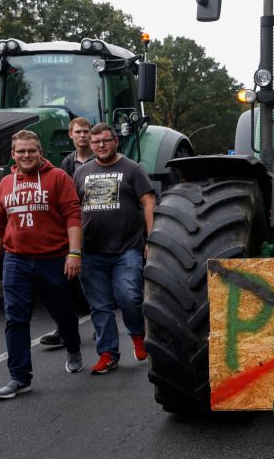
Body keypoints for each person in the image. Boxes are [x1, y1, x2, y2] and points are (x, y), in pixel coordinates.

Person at [0, 130, 84, 400]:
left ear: (40, 153)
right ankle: (19, 378)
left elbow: (73, 216)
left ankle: (73, 347)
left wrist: (74, 253)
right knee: (15, 319)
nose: (27, 155)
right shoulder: (6, 184)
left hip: (53, 259)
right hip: (16, 260)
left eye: (32, 150)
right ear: (13, 155)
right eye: (21, 151)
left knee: (64, 314)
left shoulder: (58, 178)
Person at [74, 123, 155, 374]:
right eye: (96, 142)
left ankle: (139, 335)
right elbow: (71, 210)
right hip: (91, 251)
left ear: (115, 141)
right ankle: (108, 353)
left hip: (127, 249)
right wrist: (72, 249)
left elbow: (149, 203)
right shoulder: (82, 173)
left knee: (129, 296)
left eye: (105, 141)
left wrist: (152, 241)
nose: (100, 145)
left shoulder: (132, 169)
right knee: (99, 306)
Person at [40, 117, 96, 347]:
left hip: (97, 224)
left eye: (86, 132)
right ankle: (63, 330)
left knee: (94, 280)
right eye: (78, 132)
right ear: (71, 135)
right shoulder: (66, 163)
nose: (82, 136)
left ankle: (101, 326)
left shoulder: (100, 157)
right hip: (74, 225)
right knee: (67, 281)